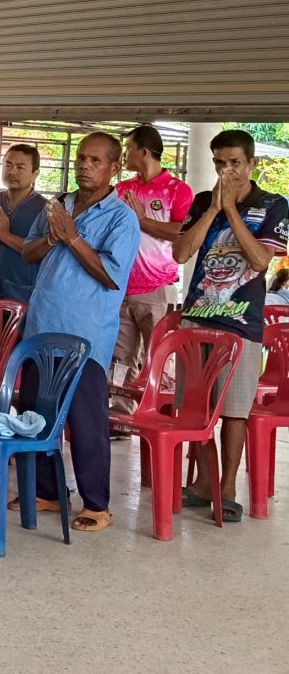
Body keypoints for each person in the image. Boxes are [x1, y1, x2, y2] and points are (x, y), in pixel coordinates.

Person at [19, 133, 140, 532]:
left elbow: (111, 275)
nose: (85, 165)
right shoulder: (59, 205)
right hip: (42, 325)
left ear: (114, 168)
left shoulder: (121, 218)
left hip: (85, 335)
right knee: (36, 414)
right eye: (81, 158)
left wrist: (71, 237)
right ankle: (50, 493)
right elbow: (28, 252)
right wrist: (53, 236)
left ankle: (97, 504)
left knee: (86, 422)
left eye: (96, 160)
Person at [173, 129, 288, 523]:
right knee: (196, 407)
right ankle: (203, 484)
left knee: (235, 411)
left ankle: (227, 490)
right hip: (196, 319)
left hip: (241, 324)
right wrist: (212, 210)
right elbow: (180, 253)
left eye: (235, 163)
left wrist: (232, 211)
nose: (227, 171)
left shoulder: (273, 204)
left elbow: (259, 261)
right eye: (220, 163)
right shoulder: (203, 201)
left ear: (251, 163)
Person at [110, 126, 194, 412]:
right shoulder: (123, 189)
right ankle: (120, 413)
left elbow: (182, 232)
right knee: (121, 357)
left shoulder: (177, 190)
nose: (124, 155)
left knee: (160, 356)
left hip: (158, 288)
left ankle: (162, 414)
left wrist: (142, 220)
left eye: (128, 149)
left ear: (143, 152)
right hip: (122, 287)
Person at [0, 144, 44, 303]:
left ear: (35, 174)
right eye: (8, 165)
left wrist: (4, 235)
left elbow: (42, 252)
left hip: (20, 291)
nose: (12, 171)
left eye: (20, 167)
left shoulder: (44, 209)